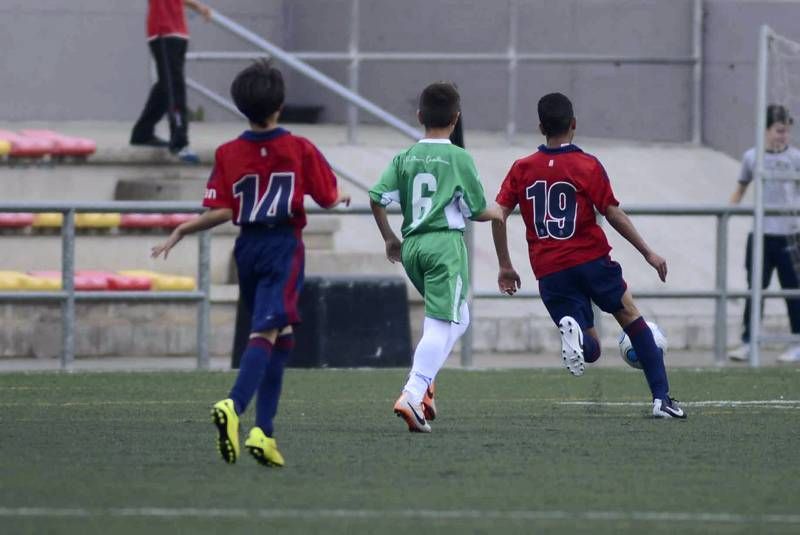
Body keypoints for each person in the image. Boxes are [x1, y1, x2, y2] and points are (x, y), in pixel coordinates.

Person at [151, 60, 351, 466]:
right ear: (281, 103)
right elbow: (328, 197)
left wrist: (185, 228)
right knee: (267, 330)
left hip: (247, 250)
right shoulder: (299, 148)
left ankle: (264, 433)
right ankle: (234, 405)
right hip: (283, 245)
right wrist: (341, 196)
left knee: (282, 332)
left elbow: (223, 209)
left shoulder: (228, 153)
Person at [490, 92, 686, 419]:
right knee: (630, 316)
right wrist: (648, 252)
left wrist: (505, 265)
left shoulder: (522, 168)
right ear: (574, 125)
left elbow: (499, 214)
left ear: (540, 127)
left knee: (589, 349)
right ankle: (662, 400)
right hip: (590, 260)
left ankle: (574, 333)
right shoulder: (587, 165)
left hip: (550, 270)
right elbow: (613, 213)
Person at [369, 82, 500, 433]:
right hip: (444, 245)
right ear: (456, 119)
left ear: (419, 116)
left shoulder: (405, 157)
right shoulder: (460, 157)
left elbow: (377, 197)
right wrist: (499, 211)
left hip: (412, 246)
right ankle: (413, 391)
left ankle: (424, 388)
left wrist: (388, 238)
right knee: (442, 323)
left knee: (459, 317)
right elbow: (475, 210)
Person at [729, 104, 800, 363]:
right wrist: (727, 213)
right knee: (755, 288)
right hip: (761, 235)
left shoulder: (795, 158)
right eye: (779, 131)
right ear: (767, 130)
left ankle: (797, 341)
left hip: (791, 235)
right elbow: (740, 188)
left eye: (786, 131)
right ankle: (748, 342)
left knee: (793, 288)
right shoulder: (752, 157)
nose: (783, 136)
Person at [130, 0, 211, 164]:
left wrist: (197, 6)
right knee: (174, 86)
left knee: (166, 85)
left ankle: (142, 132)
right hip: (163, 30)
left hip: (178, 31)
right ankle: (180, 142)